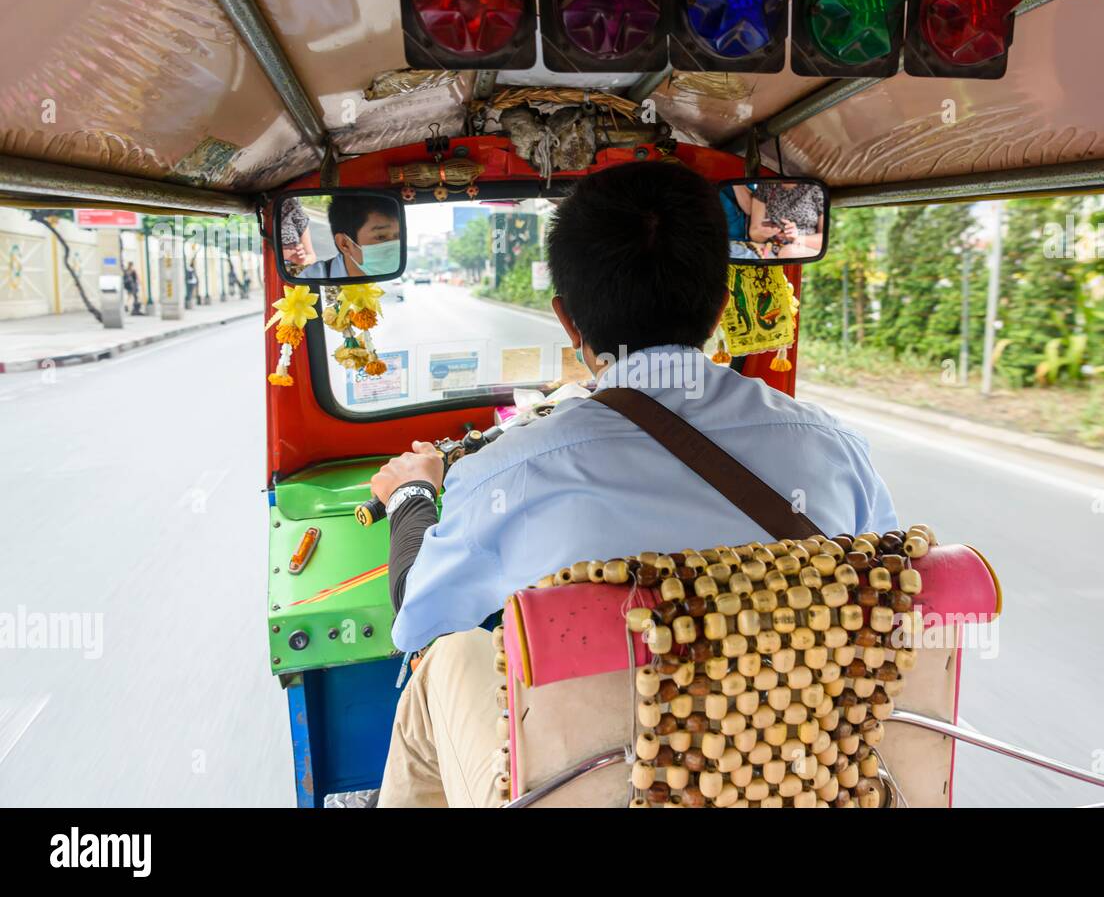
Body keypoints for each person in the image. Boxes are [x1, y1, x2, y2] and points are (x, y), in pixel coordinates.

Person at [370, 161, 896, 808]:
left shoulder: (508, 469)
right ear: (722, 306)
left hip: (606, 791)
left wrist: (411, 494)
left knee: (446, 661)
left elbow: (418, 618)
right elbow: (891, 620)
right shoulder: (837, 452)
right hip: (803, 786)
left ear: (569, 322)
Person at [294, 196, 401, 280]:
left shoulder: (393, 282)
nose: (394, 244)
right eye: (381, 237)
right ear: (344, 244)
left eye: (398, 236)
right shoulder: (312, 280)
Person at [749, 182, 825, 259]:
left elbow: (823, 240)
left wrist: (797, 237)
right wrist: (763, 232)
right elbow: (754, 233)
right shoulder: (765, 186)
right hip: (770, 249)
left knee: (788, 252)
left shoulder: (816, 188)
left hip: (803, 249)